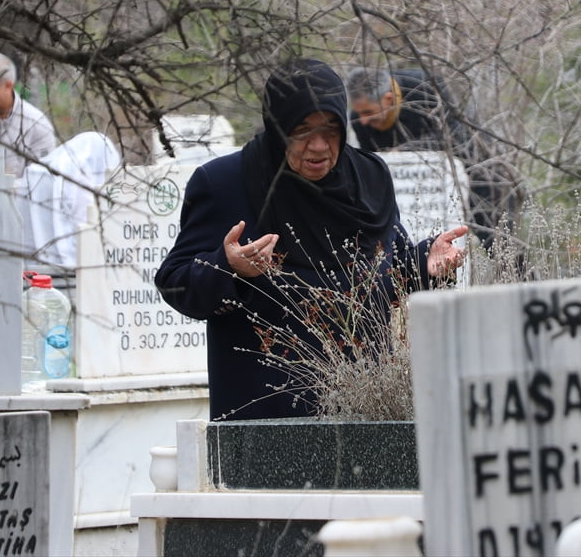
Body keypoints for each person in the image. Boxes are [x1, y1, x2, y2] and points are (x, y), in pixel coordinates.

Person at [155, 58, 467, 421]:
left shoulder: (368, 176)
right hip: (267, 418)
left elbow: (382, 269)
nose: (319, 146)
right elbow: (175, 284)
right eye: (302, 131)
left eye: (331, 129)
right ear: (278, 127)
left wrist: (422, 265)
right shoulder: (224, 183)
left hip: (365, 406)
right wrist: (230, 268)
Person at [347, 66, 518, 252]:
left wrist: (404, 151)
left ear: (388, 99)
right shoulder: (359, 119)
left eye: (368, 113)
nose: (362, 121)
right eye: (359, 114)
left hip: (476, 175)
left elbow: (453, 135)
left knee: (499, 246)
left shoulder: (423, 86)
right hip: (414, 200)